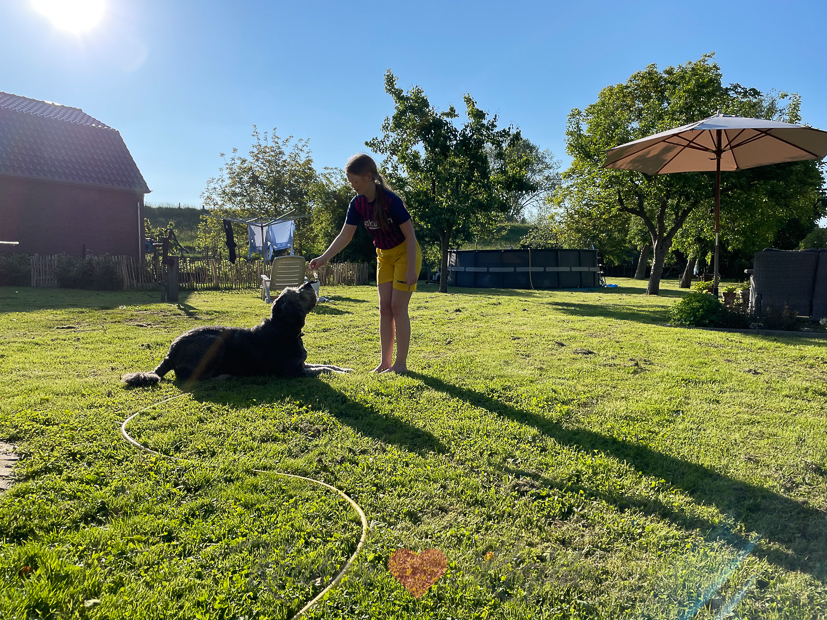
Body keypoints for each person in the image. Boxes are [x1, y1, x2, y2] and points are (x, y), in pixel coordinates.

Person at [310, 153, 422, 374]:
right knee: (384, 308)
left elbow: (410, 235)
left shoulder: (391, 201)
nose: (352, 186)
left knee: (398, 307)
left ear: (369, 177)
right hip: (383, 255)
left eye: (355, 181)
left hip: (405, 255)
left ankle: (400, 364)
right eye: (350, 182)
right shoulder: (357, 203)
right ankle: (385, 363)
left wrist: (411, 269)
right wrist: (323, 257)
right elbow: (345, 236)